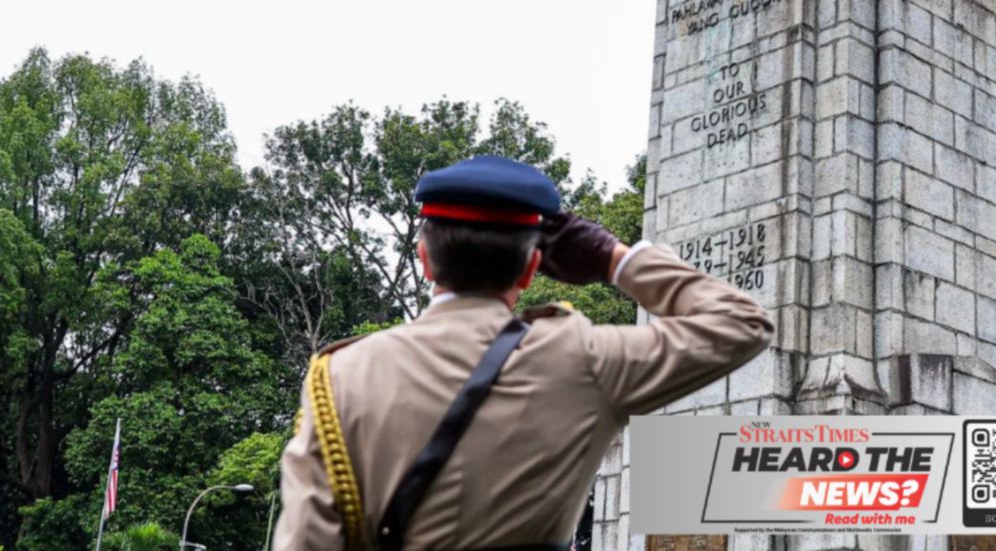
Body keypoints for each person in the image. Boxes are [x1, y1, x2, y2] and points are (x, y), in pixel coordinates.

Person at [273, 155, 773, 550]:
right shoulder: (585, 358)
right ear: (532, 268)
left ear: (424, 259)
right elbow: (741, 323)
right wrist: (616, 260)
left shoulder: (342, 374)